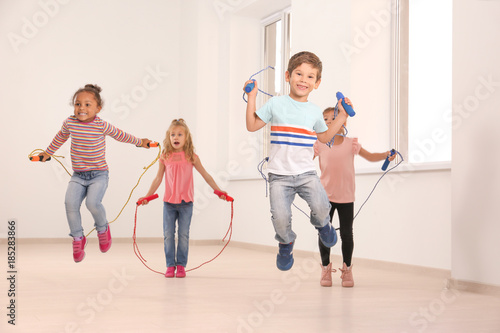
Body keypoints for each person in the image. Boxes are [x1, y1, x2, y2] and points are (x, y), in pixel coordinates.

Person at [244, 51, 350, 271]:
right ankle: (286, 242)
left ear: (317, 83)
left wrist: (341, 117)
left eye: (310, 76)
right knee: (280, 219)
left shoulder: (313, 111)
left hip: (306, 173)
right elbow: (252, 125)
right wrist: (252, 97)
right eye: (299, 74)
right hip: (279, 175)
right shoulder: (276, 104)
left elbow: (324, 138)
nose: (304, 79)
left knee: (322, 208)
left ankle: (323, 226)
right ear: (287, 76)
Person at [36, 84, 152, 263]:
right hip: (78, 175)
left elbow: (121, 135)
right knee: (70, 203)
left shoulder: (101, 125)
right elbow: (60, 136)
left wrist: (139, 142)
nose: (81, 108)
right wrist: (47, 153)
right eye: (78, 104)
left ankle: (102, 229)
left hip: (99, 174)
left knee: (92, 203)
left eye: (87, 105)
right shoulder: (70, 123)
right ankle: (78, 238)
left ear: (98, 108)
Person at [313, 105, 396, 287]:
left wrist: (385, 155)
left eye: (333, 118)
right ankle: (326, 269)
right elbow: (301, 158)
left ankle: (347, 270)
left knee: (347, 235)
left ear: (343, 121)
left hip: (346, 196)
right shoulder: (319, 143)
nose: (328, 122)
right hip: (324, 196)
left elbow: (371, 156)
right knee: (325, 234)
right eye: (325, 120)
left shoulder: (351, 143)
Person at [138, 119, 228, 278]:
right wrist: (147, 195)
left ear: (186, 138)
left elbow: (206, 175)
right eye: (173, 134)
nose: (176, 137)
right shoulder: (165, 156)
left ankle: (180, 265)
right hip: (169, 203)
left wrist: (218, 191)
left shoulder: (191, 156)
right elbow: (158, 178)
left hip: (186, 203)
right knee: (168, 235)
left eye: (180, 134)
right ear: (168, 137)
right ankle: (169, 265)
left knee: (184, 235)